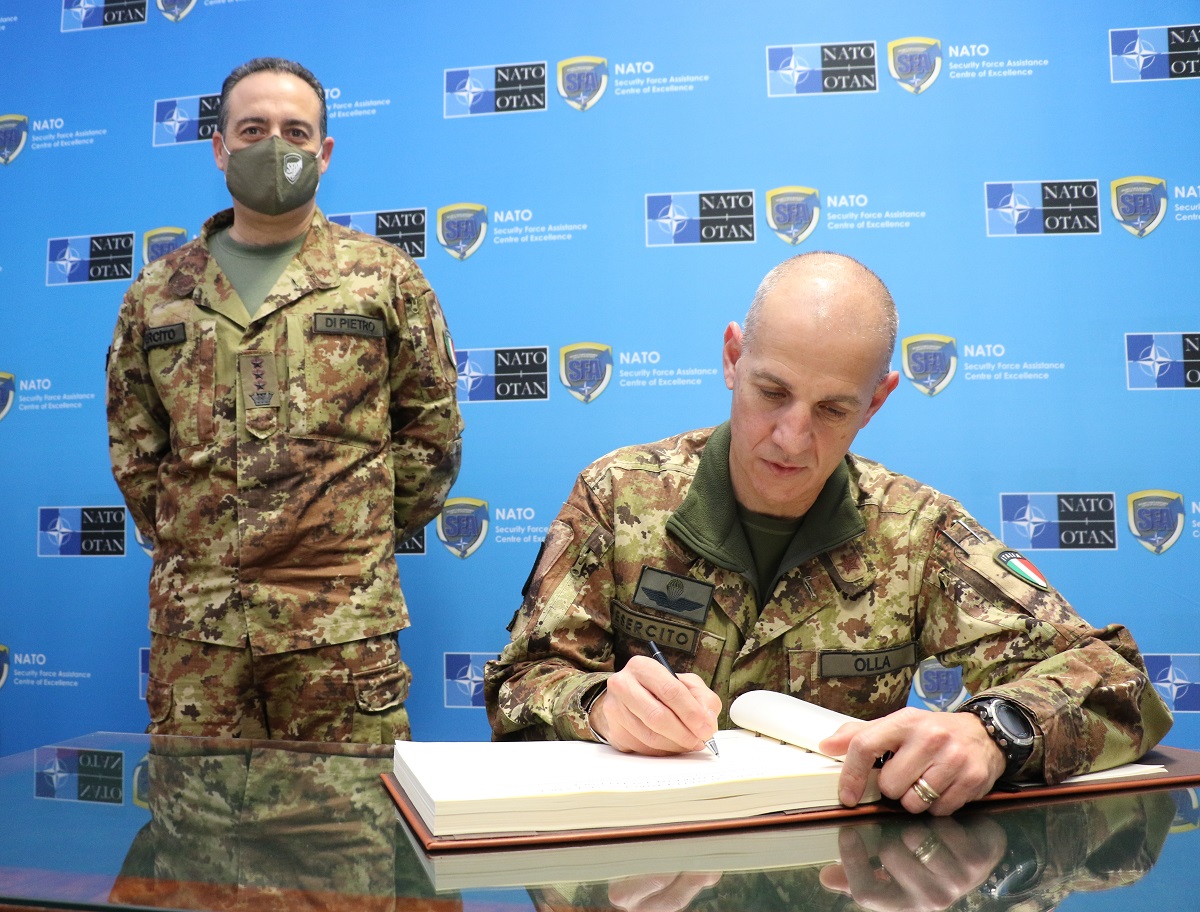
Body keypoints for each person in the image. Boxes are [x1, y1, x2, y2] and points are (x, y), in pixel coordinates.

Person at [484, 252, 1171, 814]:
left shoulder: (915, 530)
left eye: (833, 409)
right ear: (732, 358)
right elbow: (520, 682)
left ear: (876, 402)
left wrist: (994, 732)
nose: (792, 437)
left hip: (840, 875)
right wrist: (599, 706)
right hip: (645, 870)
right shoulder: (619, 495)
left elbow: (1117, 683)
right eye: (772, 392)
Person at [107, 57, 463, 743]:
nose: (275, 147)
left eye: (295, 132)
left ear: (323, 153)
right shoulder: (157, 294)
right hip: (200, 635)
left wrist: (344, 535)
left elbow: (431, 439)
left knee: (355, 814)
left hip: (340, 630)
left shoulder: (383, 279)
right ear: (220, 148)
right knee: (196, 814)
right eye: (253, 129)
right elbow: (136, 450)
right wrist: (208, 540)